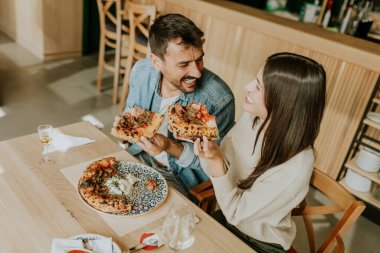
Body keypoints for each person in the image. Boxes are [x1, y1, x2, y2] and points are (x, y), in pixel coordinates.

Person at [194, 52, 326, 252]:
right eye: (254, 80)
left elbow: (235, 212)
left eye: (258, 86)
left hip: (260, 242)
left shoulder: (296, 167)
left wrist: (215, 160)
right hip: (228, 217)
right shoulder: (253, 117)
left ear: (283, 102)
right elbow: (223, 171)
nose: (248, 87)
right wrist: (208, 150)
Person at [123, 14, 235, 195]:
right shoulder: (141, 73)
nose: (197, 73)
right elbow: (129, 119)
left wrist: (168, 146)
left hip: (182, 180)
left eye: (199, 59)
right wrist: (127, 129)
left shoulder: (219, 99)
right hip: (139, 156)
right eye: (184, 64)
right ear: (156, 62)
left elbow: (218, 164)